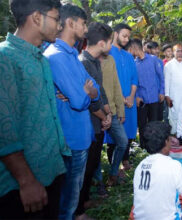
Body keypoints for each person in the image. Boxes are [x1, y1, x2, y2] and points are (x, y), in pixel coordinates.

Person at [0, 1, 66, 219]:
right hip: (23, 188)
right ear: (37, 17)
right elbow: (3, 128)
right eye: (57, 19)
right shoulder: (4, 58)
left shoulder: (40, 59)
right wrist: (26, 180)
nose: (59, 26)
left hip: (50, 173)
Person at [44, 4, 100, 219]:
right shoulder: (56, 56)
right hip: (70, 138)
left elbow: (92, 90)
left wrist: (86, 92)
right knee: (66, 200)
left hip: (80, 134)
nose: (86, 29)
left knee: (72, 194)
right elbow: (78, 100)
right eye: (84, 23)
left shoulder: (72, 55)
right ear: (70, 23)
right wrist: (84, 92)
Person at [76, 22, 113, 219]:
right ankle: (78, 209)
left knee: (93, 162)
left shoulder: (96, 61)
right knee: (85, 165)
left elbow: (100, 91)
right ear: (101, 43)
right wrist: (103, 116)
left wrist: (107, 113)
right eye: (110, 42)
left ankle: (85, 200)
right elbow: (89, 98)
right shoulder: (83, 62)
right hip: (89, 123)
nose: (111, 46)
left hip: (99, 121)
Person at [106, 23, 138, 176]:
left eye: (128, 37)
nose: (126, 39)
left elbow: (134, 78)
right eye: (124, 36)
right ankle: (114, 166)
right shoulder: (107, 53)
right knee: (114, 136)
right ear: (115, 34)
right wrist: (121, 99)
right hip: (115, 102)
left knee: (129, 130)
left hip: (130, 102)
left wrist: (131, 96)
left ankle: (125, 159)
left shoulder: (128, 56)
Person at [127, 39, 164, 148]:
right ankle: (143, 147)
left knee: (154, 123)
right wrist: (137, 96)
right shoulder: (134, 63)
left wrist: (161, 92)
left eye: (130, 49)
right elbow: (133, 82)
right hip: (141, 100)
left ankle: (155, 146)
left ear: (134, 47)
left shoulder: (153, 60)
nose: (129, 52)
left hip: (154, 98)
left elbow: (161, 77)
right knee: (142, 124)